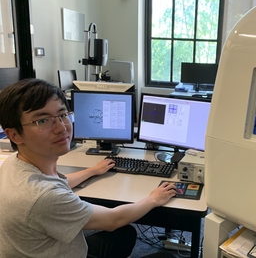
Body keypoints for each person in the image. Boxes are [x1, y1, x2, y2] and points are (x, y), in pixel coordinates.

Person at [0, 78, 177, 258]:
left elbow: (56, 184)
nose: (61, 128)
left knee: (125, 234)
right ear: (14, 135)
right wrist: (154, 199)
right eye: (43, 121)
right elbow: (113, 219)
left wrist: (93, 171)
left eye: (62, 115)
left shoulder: (14, 163)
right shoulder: (44, 198)